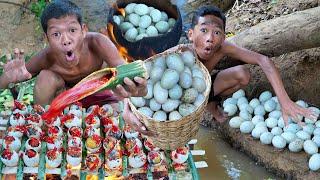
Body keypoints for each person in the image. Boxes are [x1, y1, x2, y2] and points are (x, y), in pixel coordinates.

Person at [0, 0, 152, 135]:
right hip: (67, 99)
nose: (66, 40)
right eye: (56, 34)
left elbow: (126, 76)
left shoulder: (98, 43)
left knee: (118, 117)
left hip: (101, 96)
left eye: (72, 30)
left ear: (83, 30)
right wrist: (7, 78)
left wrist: (138, 90)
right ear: (47, 39)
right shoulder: (46, 57)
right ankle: (44, 127)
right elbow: (7, 82)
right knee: (45, 78)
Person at [186, 6, 317, 125]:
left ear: (223, 38)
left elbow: (263, 60)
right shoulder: (182, 54)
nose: (209, 38)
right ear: (191, 34)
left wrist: (285, 101)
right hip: (184, 95)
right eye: (204, 30)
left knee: (242, 74)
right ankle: (205, 107)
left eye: (216, 32)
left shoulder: (222, 47)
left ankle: (211, 103)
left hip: (205, 88)